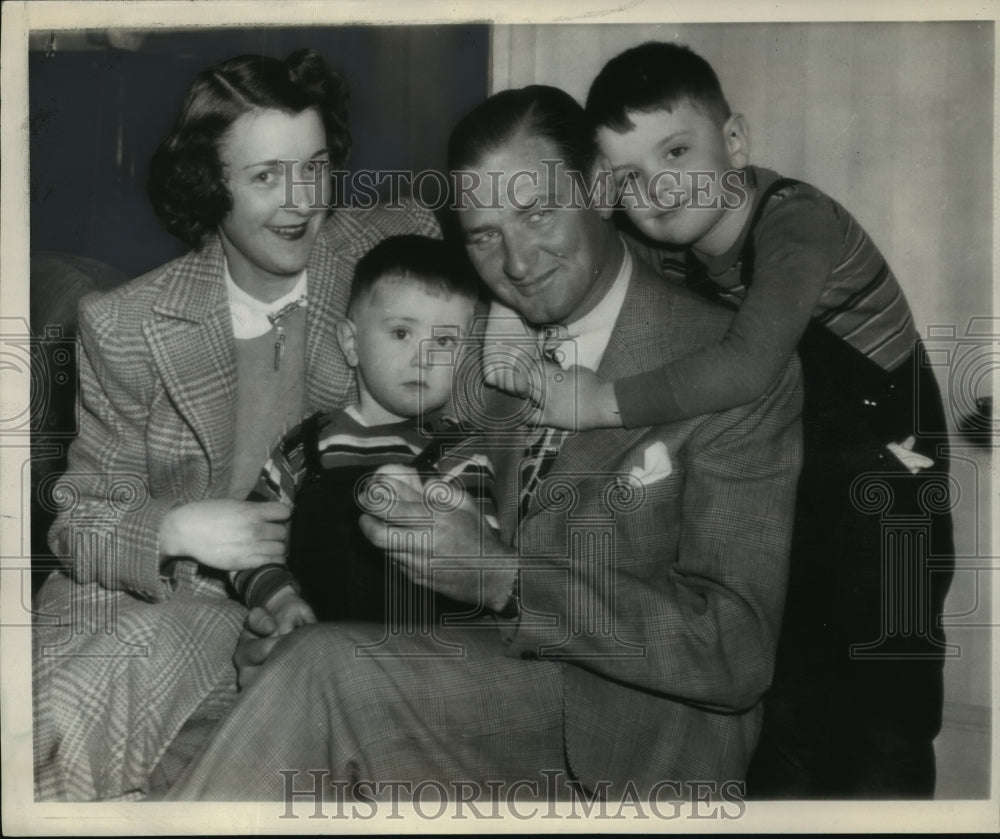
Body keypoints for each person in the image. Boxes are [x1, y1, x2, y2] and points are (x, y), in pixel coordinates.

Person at [165, 84, 802, 802]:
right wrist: (283, 622)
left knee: (320, 679)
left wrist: (506, 576)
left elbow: (735, 646)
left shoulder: (729, 362)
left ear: (597, 186)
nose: (519, 261)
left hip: (624, 735)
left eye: (536, 214)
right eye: (484, 235)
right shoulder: (464, 344)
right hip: (453, 674)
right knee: (236, 712)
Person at [493, 42, 951, 798]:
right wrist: (504, 309)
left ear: (734, 142)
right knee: (792, 696)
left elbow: (747, 365)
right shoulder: (666, 245)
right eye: (631, 176)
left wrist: (600, 401)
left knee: (887, 705)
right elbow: (525, 232)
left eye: (677, 151)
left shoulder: (797, 221)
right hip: (803, 486)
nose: (660, 188)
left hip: (894, 480)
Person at [32, 49, 438, 801]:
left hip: (250, 611)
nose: (300, 202)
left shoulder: (382, 255)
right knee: (38, 709)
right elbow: (79, 521)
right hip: (130, 583)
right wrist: (176, 528)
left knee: (78, 710)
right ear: (208, 184)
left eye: (314, 167)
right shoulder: (126, 322)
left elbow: (506, 232)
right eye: (264, 176)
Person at [230, 234, 496, 631]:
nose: (423, 358)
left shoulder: (460, 453)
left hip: (421, 658)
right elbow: (248, 543)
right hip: (315, 647)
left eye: (443, 341)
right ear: (352, 344)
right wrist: (282, 601)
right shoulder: (303, 448)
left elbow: (477, 569)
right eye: (402, 333)